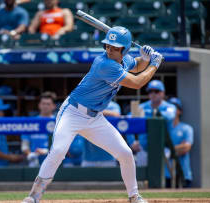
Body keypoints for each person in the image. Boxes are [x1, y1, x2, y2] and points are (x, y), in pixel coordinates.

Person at [21, 26, 164, 203]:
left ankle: (134, 196)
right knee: (58, 151)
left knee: (125, 153)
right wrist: (154, 64)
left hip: (94, 117)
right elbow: (137, 82)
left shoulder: (124, 60)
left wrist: (145, 58)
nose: (110, 49)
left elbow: (136, 67)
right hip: (72, 113)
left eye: (115, 47)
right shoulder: (104, 64)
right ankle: (34, 196)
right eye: (108, 46)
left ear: (124, 49)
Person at [127, 80, 177, 167]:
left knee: (157, 176)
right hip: (143, 148)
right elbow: (128, 121)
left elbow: (169, 116)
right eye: (150, 91)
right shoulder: (142, 107)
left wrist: (145, 114)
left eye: (156, 91)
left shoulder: (169, 107)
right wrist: (132, 142)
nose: (153, 94)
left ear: (163, 93)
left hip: (163, 148)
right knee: (141, 178)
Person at [82, 100, 122, 167]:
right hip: (89, 157)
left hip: (108, 157)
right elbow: (82, 112)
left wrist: (92, 111)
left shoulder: (113, 105)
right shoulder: (86, 102)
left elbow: (116, 115)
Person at [165, 97, 194, 188]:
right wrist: (178, 148)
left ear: (180, 111)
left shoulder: (186, 128)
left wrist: (168, 150)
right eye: (170, 107)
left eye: (175, 107)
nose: (172, 110)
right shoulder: (164, 128)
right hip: (166, 174)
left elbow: (186, 148)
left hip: (183, 172)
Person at [21, 92, 56, 167]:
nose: (45, 106)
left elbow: (63, 145)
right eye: (43, 103)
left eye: (48, 104)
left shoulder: (59, 123)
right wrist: (30, 154)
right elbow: (25, 145)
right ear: (39, 105)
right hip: (34, 162)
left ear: (53, 106)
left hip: (53, 163)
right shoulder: (31, 122)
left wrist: (46, 151)